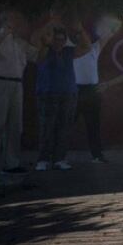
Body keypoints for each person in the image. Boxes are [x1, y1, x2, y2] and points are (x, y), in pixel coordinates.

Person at [0, 9, 38, 174]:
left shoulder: (21, 43)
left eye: (18, 20)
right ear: (4, 20)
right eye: (13, 19)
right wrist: (4, 33)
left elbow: (38, 56)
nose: (17, 23)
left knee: (15, 127)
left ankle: (12, 163)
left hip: (16, 85)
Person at [34, 19, 91, 171]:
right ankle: (43, 160)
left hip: (68, 93)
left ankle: (60, 159)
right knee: (47, 128)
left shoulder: (68, 52)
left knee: (64, 128)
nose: (59, 42)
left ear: (65, 41)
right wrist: (49, 27)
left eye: (62, 40)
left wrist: (81, 30)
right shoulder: (45, 50)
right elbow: (38, 57)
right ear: (51, 39)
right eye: (56, 39)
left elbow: (87, 47)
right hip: (47, 93)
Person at [71, 19, 120, 163]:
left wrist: (115, 25)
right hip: (75, 90)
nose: (83, 39)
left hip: (92, 90)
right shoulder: (71, 51)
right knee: (66, 123)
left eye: (84, 35)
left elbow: (107, 37)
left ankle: (97, 155)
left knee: (93, 125)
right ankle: (56, 156)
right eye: (80, 36)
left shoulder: (94, 48)